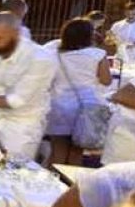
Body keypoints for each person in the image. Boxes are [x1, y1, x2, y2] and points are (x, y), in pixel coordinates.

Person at [0, 12, 56, 161]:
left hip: (23, 121)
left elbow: (17, 101)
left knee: (17, 168)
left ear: (16, 34)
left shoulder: (41, 58)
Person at [46, 18, 112, 166]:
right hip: (87, 107)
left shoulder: (53, 54)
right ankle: (71, 183)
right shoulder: (97, 54)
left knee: (57, 151)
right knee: (77, 152)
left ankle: (54, 184)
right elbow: (106, 81)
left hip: (59, 105)